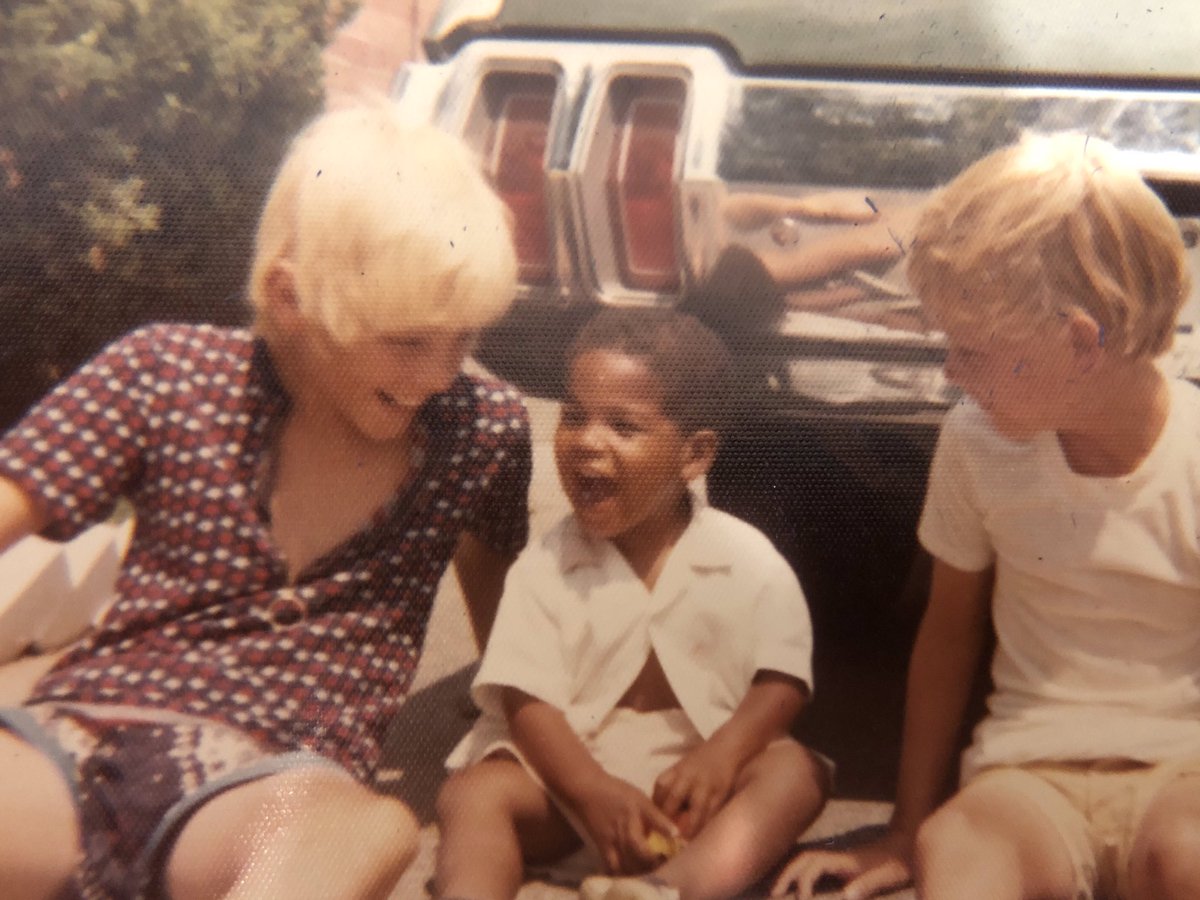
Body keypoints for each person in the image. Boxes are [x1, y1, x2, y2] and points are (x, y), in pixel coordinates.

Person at [0, 103, 531, 900]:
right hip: (81, 740)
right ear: (291, 298)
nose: (441, 376)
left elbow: (501, 608)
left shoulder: (481, 432)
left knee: (369, 828)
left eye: (463, 339)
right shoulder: (166, 373)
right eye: (409, 341)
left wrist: (520, 718)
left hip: (279, 783)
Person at [773, 133, 1200, 900]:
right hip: (1028, 776)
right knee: (958, 851)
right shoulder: (978, 442)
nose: (949, 372)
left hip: (1186, 770)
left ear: (1080, 342)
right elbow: (948, 629)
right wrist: (908, 825)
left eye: (970, 349)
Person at [434, 307, 830, 900]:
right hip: (568, 787)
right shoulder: (545, 566)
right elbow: (526, 700)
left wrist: (723, 757)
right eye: (573, 417)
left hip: (696, 794)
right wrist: (589, 790)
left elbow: (782, 680)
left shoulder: (744, 556)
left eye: (623, 425)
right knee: (471, 794)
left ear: (694, 456)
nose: (588, 442)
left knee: (795, 773)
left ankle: (670, 887)